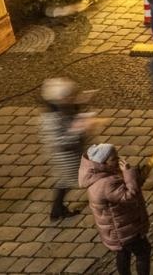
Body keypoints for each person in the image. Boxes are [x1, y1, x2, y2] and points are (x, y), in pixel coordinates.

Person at [79, 143, 151, 275]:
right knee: (143, 252)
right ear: (103, 162)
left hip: (116, 229)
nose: (118, 160)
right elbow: (129, 196)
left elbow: (123, 188)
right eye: (114, 158)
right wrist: (128, 172)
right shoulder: (106, 183)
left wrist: (136, 177)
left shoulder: (100, 175)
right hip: (124, 228)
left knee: (123, 253)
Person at [40, 77, 93, 222]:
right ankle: (57, 210)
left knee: (65, 181)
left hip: (72, 152)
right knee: (70, 180)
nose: (72, 99)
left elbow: (73, 111)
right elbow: (60, 141)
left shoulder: (61, 108)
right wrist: (79, 129)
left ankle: (57, 210)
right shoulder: (52, 119)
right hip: (66, 156)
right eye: (69, 96)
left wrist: (83, 103)